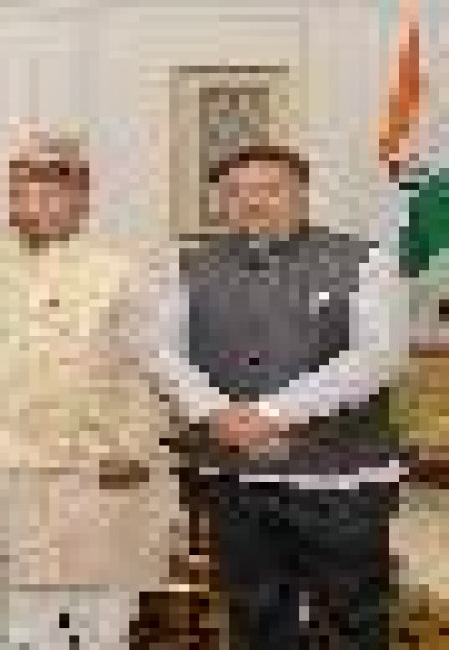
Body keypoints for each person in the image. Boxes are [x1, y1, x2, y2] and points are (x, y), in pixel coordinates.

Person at [144, 144, 410, 650]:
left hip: (341, 479)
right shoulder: (185, 264)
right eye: (235, 192)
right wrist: (215, 412)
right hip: (233, 476)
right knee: (254, 615)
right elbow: (160, 350)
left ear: (301, 194)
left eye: (270, 189)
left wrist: (271, 414)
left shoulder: (365, 260)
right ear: (219, 202)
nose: (252, 202)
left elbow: (378, 357)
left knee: (351, 616)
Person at [0, 128, 179, 650]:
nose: (36, 200)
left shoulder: (123, 273)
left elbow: (158, 368)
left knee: (99, 621)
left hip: (96, 474)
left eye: (53, 188)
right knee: (22, 621)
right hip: (6, 476)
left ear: (82, 198)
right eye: (23, 187)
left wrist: (135, 445)